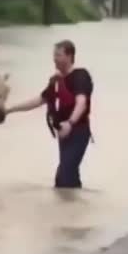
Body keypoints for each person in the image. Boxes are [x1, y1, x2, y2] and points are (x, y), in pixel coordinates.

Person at [5, 40, 93, 188]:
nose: (54, 59)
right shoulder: (56, 81)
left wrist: (70, 123)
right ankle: (75, 207)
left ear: (69, 56)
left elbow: (81, 102)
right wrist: (9, 109)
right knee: (68, 175)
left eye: (58, 55)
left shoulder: (80, 76)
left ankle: (69, 206)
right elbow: (39, 100)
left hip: (78, 132)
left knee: (64, 176)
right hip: (62, 133)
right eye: (54, 55)